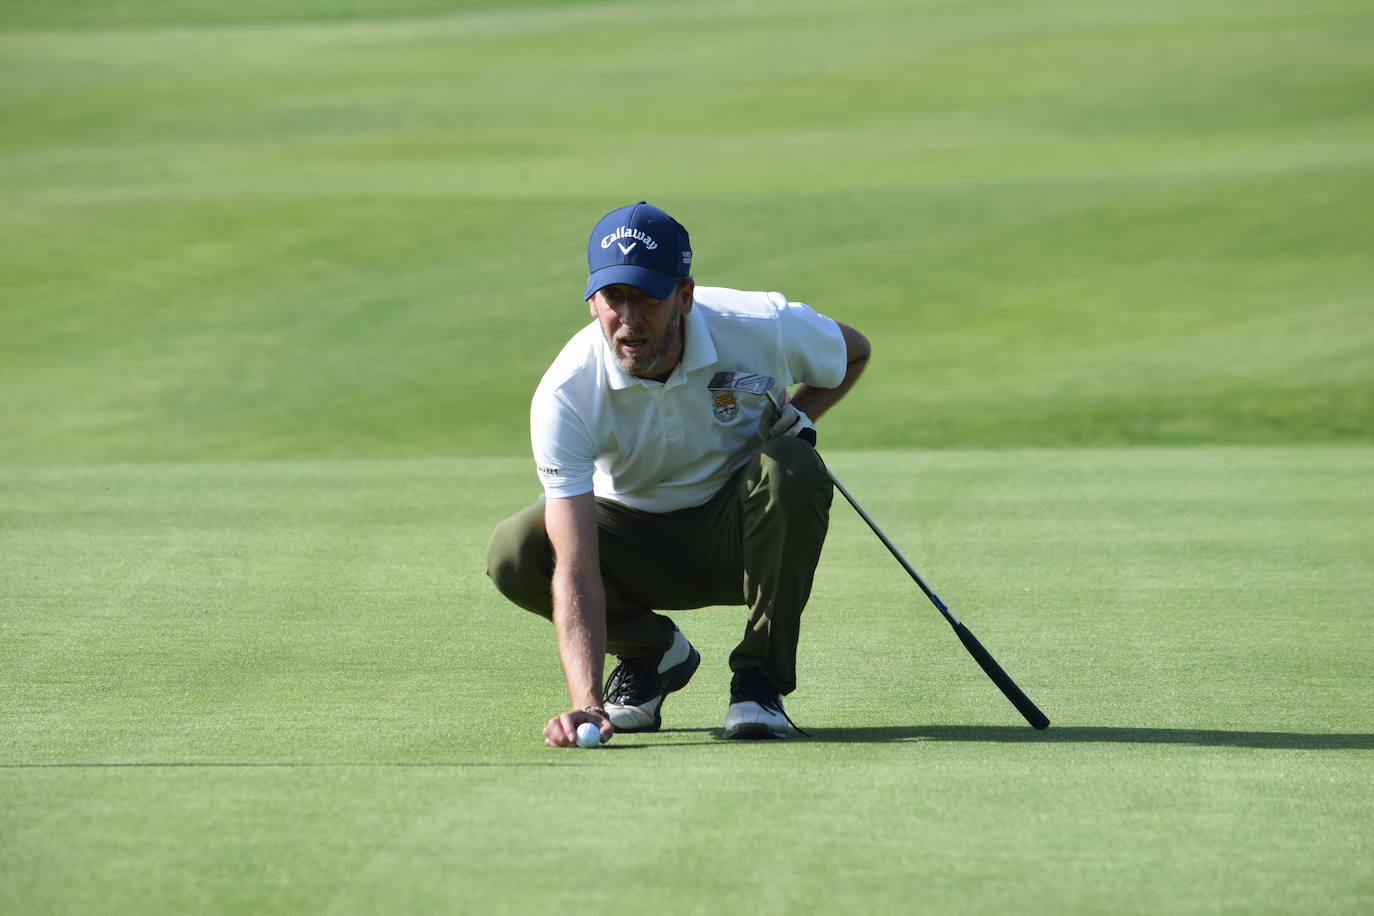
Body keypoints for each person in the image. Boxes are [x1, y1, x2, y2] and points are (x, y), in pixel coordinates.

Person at [486, 201, 870, 747]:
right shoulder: (566, 390)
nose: (630, 318)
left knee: (793, 466)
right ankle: (652, 653)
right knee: (515, 550)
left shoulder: (761, 325)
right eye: (614, 297)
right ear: (593, 300)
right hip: (631, 542)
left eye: (647, 296)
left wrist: (801, 418)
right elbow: (575, 569)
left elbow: (853, 352)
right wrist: (585, 703)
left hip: (738, 536)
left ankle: (759, 683)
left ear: (685, 296)